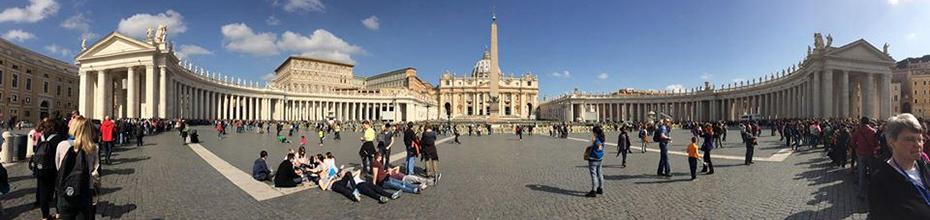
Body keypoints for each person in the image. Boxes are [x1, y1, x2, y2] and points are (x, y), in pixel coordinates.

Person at [868, 113, 930, 218]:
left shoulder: (925, 166)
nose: (918, 144)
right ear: (892, 142)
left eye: (920, 139)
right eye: (910, 139)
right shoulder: (880, 181)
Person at [54, 116, 100, 219]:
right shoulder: (94, 148)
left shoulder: (62, 145)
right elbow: (95, 170)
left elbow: (58, 167)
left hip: (66, 189)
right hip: (86, 190)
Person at [34, 119, 67, 219]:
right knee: (57, 191)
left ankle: (45, 216)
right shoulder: (58, 138)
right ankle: (58, 213)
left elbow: (36, 150)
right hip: (53, 169)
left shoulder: (41, 137)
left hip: (41, 168)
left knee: (43, 192)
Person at [852, 117, 880, 200]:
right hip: (870, 154)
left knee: (862, 175)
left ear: (861, 122)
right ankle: (874, 193)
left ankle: (861, 194)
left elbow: (852, 142)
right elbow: (876, 144)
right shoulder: (873, 131)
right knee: (872, 174)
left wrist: (857, 148)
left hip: (861, 154)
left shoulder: (858, 131)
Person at [585, 126, 606, 197]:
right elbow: (601, 148)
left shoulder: (596, 140)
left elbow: (594, 148)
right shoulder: (602, 139)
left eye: (593, 132)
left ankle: (594, 190)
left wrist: (593, 142)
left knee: (594, 175)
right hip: (600, 158)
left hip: (593, 159)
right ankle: (601, 188)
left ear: (595, 133)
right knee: (600, 173)